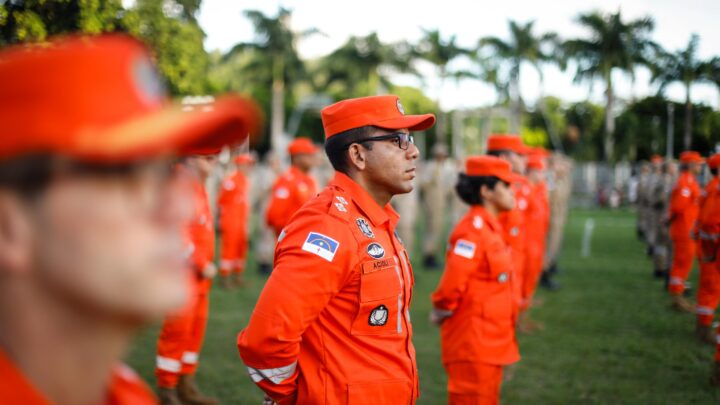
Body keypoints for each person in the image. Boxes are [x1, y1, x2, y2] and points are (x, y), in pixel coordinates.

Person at [0, 35, 258, 405]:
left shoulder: (128, 395)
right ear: (9, 227)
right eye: (123, 177)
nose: (179, 208)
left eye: (161, 173)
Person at [237, 95, 435, 404]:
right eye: (399, 140)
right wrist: (297, 397)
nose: (414, 151)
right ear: (358, 154)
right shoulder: (329, 226)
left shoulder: (375, 220)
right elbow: (265, 341)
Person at [430, 155, 520, 405]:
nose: (513, 191)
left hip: (492, 342)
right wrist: (441, 310)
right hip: (474, 344)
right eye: (506, 185)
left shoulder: (491, 228)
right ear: (486, 191)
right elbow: (451, 286)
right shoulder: (472, 231)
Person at [155, 152, 220, 405]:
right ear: (192, 158)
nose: (214, 161)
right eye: (209, 156)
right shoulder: (181, 186)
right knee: (177, 331)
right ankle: (167, 389)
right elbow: (175, 233)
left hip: (198, 279)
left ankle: (185, 385)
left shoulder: (197, 186)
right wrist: (201, 264)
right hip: (183, 276)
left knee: (194, 331)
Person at [484, 134, 536, 331]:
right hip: (499, 265)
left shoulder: (512, 184)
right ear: (504, 158)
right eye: (519, 155)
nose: (525, 160)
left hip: (513, 258)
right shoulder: (493, 188)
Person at [667, 151, 704, 311]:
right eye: (698, 164)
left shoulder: (688, 180)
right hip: (684, 230)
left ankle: (678, 296)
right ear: (690, 165)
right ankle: (677, 298)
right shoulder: (685, 181)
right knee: (682, 264)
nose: (700, 167)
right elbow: (678, 206)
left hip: (686, 229)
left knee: (682, 264)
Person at [265, 137, 320, 238]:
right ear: (296, 158)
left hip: (306, 237)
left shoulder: (310, 181)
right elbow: (274, 216)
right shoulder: (287, 180)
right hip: (291, 239)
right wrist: (291, 231)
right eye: (308, 154)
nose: (313, 157)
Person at [218, 153, 255, 288]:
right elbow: (222, 201)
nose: (248, 168)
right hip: (231, 219)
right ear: (239, 165)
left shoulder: (245, 180)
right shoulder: (231, 180)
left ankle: (237, 275)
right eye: (246, 164)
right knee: (229, 247)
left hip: (241, 219)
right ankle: (225, 277)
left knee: (241, 247)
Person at [695, 153, 720, 343]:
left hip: (709, 249)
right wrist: (711, 247)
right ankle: (704, 328)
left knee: (708, 288)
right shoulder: (715, 189)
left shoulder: (711, 187)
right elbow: (710, 222)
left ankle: (703, 326)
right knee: (711, 288)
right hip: (712, 251)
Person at [420, 143, 457, 269]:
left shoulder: (445, 167)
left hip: (440, 202)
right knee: (433, 229)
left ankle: (432, 254)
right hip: (432, 202)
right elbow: (424, 183)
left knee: (437, 228)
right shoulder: (431, 166)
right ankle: (428, 255)